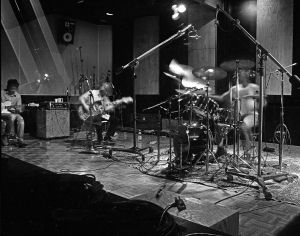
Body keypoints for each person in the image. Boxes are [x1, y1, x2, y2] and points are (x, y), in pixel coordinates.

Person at [208, 69, 263, 159]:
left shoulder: (254, 87)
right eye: (240, 73)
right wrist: (207, 94)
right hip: (238, 115)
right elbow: (222, 98)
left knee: (243, 127)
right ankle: (220, 148)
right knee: (222, 125)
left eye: (244, 73)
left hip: (251, 114)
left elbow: (263, 101)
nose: (242, 74)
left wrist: (256, 101)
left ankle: (248, 153)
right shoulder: (234, 88)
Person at [1, 79, 27, 147]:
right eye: (11, 88)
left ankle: (20, 139)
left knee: (21, 119)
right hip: (3, 112)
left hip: (13, 112)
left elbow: (18, 107)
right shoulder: (2, 93)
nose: (13, 90)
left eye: (15, 89)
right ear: (8, 87)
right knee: (12, 117)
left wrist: (18, 110)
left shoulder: (18, 96)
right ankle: (5, 136)